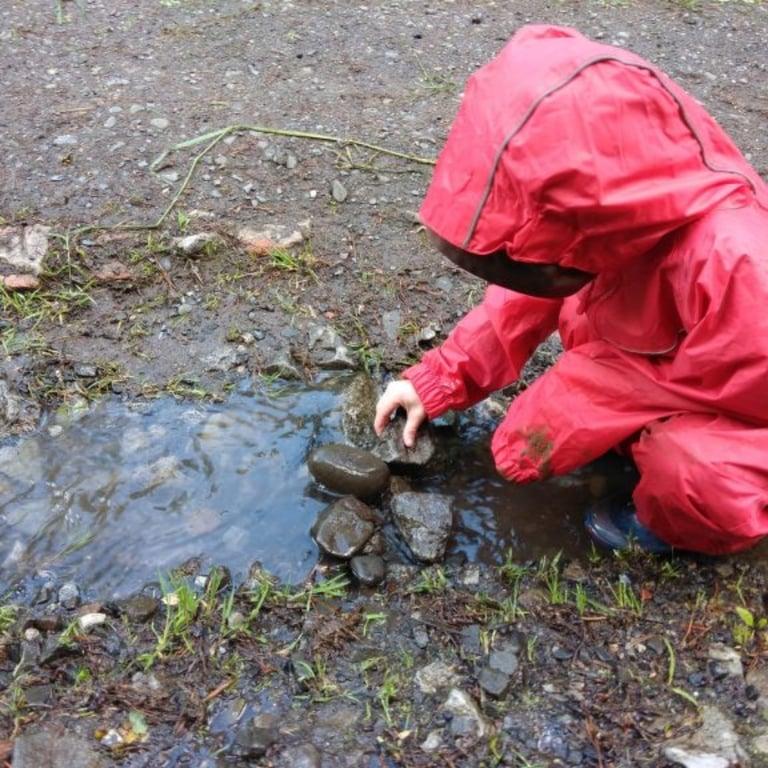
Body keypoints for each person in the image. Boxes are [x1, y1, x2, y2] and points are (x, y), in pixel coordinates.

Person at [373, 24, 768, 555]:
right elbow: (528, 291)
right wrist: (441, 376)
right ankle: (638, 445)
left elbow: (735, 391)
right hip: (670, 374)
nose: (539, 273)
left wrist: (574, 404)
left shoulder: (738, 263)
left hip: (748, 413)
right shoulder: (615, 215)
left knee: (697, 478)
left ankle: (670, 523)